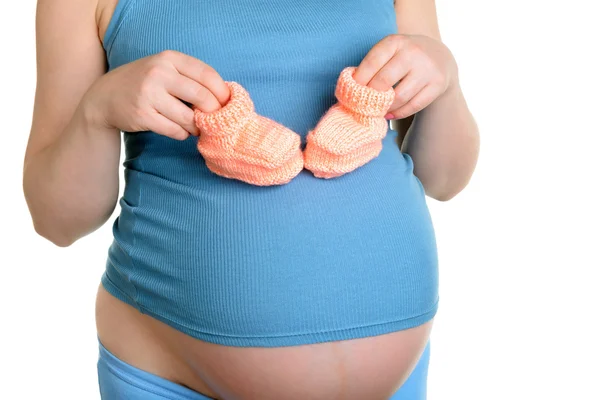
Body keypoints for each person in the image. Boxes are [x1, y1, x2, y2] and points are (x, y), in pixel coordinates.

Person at [23, 0, 479, 398]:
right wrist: (98, 111)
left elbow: (444, 179)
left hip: (397, 378)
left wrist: (447, 81)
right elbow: (58, 221)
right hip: (172, 374)